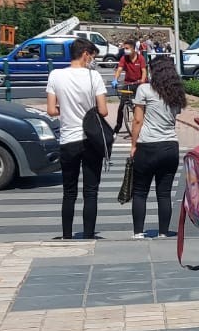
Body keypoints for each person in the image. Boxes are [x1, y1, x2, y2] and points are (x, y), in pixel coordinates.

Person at [45, 38, 108, 239]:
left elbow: (50, 110)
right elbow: (104, 111)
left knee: (69, 191)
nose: (92, 60)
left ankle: (66, 235)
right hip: (90, 141)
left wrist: (66, 109)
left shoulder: (55, 75)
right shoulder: (94, 77)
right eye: (92, 56)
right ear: (85, 54)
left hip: (68, 140)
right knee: (90, 191)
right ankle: (89, 234)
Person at [129, 55, 184, 239]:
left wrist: (133, 144)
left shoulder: (144, 89)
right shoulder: (176, 93)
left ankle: (138, 232)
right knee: (164, 193)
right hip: (170, 146)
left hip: (148, 145)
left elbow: (137, 120)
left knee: (140, 191)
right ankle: (163, 232)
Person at [113, 41, 146, 133]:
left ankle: (145, 123)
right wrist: (115, 79)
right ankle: (118, 126)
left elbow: (144, 71)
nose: (125, 50)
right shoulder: (124, 58)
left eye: (127, 48)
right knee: (122, 105)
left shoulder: (141, 58)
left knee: (142, 105)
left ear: (133, 49)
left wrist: (143, 80)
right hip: (128, 83)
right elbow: (119, 69)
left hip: (139, 84)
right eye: (124, 48)